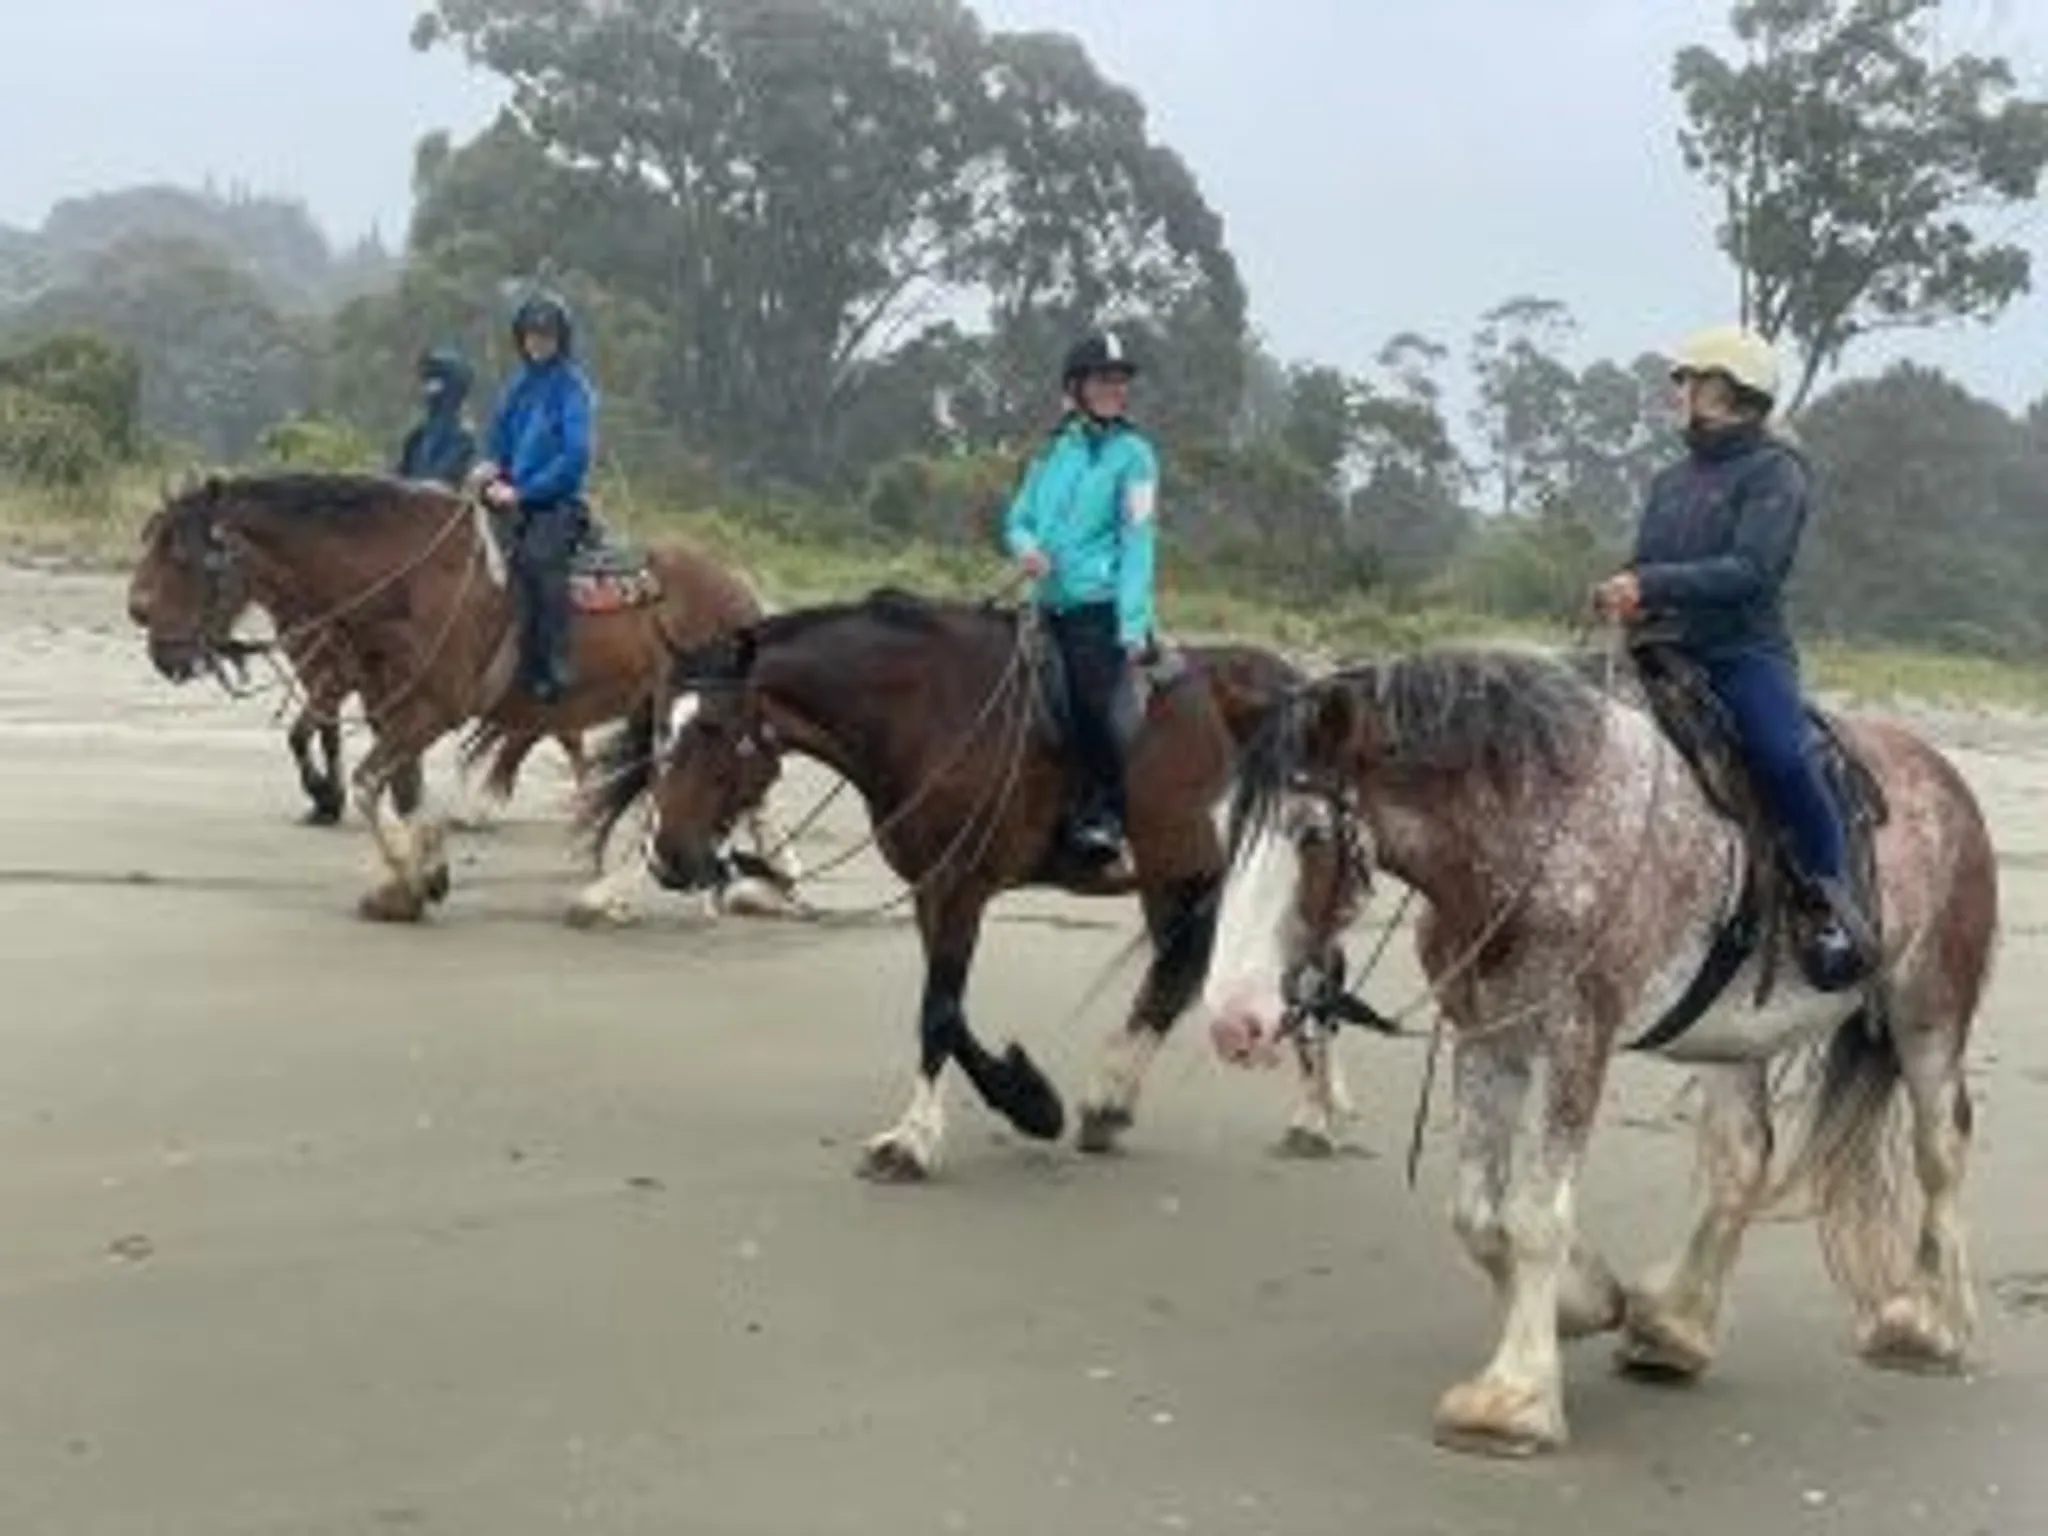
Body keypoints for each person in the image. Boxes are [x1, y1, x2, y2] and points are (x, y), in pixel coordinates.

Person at [1590, 323, 1871, 990]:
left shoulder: (1778, 472)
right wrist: (1622, 586)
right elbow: (1648, 561)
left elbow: (1752, 571)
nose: (1680, 391)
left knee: (1783, 756)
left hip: (1742, 655)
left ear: (1731, 390)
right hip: (1659, 651)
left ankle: (1831, 901)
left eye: (1692, 380)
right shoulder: (1670, 480)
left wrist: (1648, 584)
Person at [1002, 329, 1161, 866]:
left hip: (1098, 611)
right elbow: (1019, 519)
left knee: (1093, 707)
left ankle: (1106, 816)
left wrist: (1132, 625)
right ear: (1076, 387)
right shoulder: (1052, 449)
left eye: (1121, 380)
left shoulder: (1136, 457)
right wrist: (1026, 549)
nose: (1117, 388)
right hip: (1041, 604)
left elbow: (1138, 542)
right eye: (1104, 379)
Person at [476, 290, 596, 704]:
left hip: (554, 505)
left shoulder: (573, 389)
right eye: (531, 335)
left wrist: (523, 492)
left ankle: (551, 665)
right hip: (507, 498)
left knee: (538, 565)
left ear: (561, 339)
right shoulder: (517, 387)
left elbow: (575, 456)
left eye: (546, 336)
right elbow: (499, 440)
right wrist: (490, 467)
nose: (538, 342)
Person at [393, 346, 478, 489]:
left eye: (435, 380)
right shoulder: (417, 438)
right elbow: (401, 476)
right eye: (427, 381)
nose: (427, 388)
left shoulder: (465, 440)